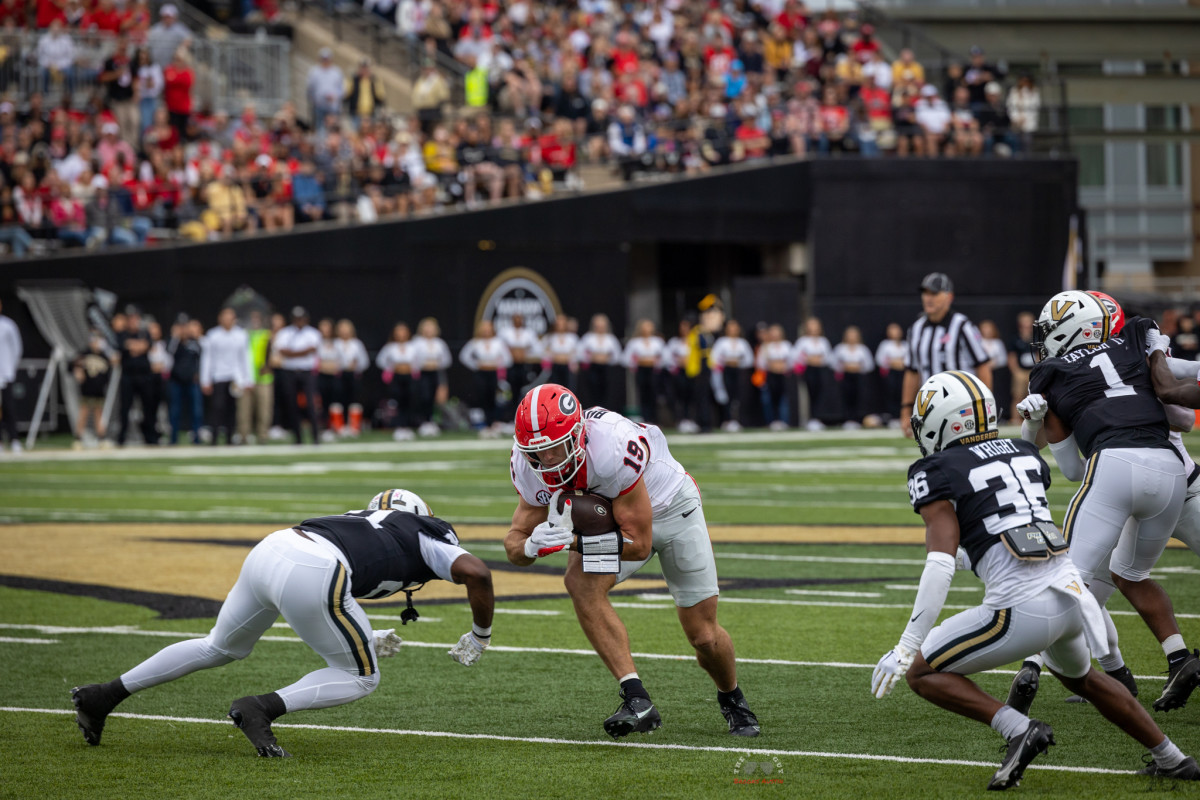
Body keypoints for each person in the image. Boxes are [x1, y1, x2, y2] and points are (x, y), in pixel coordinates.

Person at [872, 370, 1200, 789]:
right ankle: (1173, 758)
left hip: (1020, 609)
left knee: (920, 672)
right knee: (1085, 680)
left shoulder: (937, 469)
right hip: (1072, 598)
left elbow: (939, 563)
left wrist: (906, 646)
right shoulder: (1023, 453)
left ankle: (1016, 729)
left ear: (942, 423)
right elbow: (998, 528)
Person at [71, 489, 496, 758]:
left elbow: (348, 575)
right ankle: (261, 708)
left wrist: (366, 633)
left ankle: (102, 696)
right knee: (362, 676)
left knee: (219, 645)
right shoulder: (425, 531)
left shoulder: (363, 519)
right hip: (315, 569)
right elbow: (477, 572)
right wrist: (480, 636)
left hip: (274, 548)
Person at [505, 384, 760, 739]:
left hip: (670, 507)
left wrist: (574, 542)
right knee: (579, 583)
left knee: (703, 636)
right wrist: (530, 546)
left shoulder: (611, 445)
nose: (548, 460)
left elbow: (638, 544)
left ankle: (732, 696)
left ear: (578, 434)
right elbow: (513, 542)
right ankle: (637, 698)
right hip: (615, 516)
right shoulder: (527, 465)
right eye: (538, 452)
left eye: (555, 448)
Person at [1006, 290, 1199, 716]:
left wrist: (1032, 423)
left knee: (1065, 574)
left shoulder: (1052, 373)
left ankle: (1037, 666)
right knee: (1125, 575)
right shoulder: (1137, 343)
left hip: (1116, 467)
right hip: (1172, 474)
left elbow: (1069, 469)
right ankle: (1175, 659)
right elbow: (1185, 404)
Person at [900, 272, 992, 438]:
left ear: (949, 296)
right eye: (925, 293)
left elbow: (983, 366)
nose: (928, 298)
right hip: (930, 406)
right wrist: (906, 409)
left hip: (962, 405)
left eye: (934, 293)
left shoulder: (963, 326)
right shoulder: (916, 329)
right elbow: (912, 371)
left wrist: (984, 405)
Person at [200, 307, 252, 446]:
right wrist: (205, 379)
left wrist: (248, 379)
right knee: (217, 407)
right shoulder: (213, 335)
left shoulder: (241, 335)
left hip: (235, 377)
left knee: (232, 408)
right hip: (218, 376)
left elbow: (245, 358)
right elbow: (207, 359)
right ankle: (215, 437)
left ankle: (230, 438)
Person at [274, 307, 322, 445]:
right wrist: (303, 352)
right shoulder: (285, 333)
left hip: (307, 372)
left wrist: (293, 353)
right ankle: (298, 437)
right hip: (290, 372)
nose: (299, 321)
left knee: (311, 404)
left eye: (302, 318)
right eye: (297, 319)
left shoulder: (313, 333)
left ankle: (315, 436)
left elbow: (313, 349)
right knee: (291, 404)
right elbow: (282, 351)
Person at [459, 319, 512, 435]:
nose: (486, 331)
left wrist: (497, 364)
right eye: (484, 328)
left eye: (488, 328)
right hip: (481, 374)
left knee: (494, 397)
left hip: (494, 373)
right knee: (482, 397)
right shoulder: (476, 342)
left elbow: (508, 359)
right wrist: (476, 365)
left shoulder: (498, 342)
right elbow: (464, 356)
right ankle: (485, 424)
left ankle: (494, 422)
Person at [116, 307, 159, 447]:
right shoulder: (122, 334)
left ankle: (151, 438)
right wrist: (139, 346)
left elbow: (147, 346)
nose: (133, 321)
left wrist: (135, 346)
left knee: (148, 407)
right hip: (128, 376)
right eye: (131, 318)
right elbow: (124, 346)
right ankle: (121, 438)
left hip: (145, 376)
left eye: (135, 318)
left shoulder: (144, 332)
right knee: (125, 408)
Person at [376, 322, 420, 439]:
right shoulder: (390, 347)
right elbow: (380, 361)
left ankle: (408, 427)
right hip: (396, 377)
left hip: (409, 377)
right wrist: (391, 367)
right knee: (398, 401)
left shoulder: (413, 346)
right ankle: (399, 426)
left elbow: (420, 361)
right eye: (398, 331)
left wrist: (412, 368)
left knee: (409, 401)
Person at [710, 319, 754, 432]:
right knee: (726, 395)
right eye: (730, 327)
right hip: (726, 372)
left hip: (739, 372)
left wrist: (738, 362)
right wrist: (727, 361)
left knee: (737, 396)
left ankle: (736, 420)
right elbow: (714, 358)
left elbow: (749, 359)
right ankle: (727, 420)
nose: (733, 330)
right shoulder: (721, 342)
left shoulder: (742, 343)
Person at [237, 311, 273, 445]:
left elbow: (272, 353)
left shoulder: (267, 335)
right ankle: (243, 435)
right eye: (252, 319)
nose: (255, 321)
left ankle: (263, 435)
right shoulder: (244, 335)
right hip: (246, 378)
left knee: (264, 409)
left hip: (263, 378)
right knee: (244, 410)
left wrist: (268, 365)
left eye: (257, 318)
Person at [165, 317, 203, 445]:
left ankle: (196, 437)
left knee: (196, 410)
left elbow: (204, 355)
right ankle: (173, 438)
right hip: (176, 380)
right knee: (175, 411)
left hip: (192, 380)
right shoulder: (173, 342)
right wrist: (175, 337)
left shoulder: (194, 342)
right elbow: (169, 353)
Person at [791, 317, 833, 431]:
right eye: (811, 325)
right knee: (809, 393)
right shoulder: (802, 341)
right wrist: (810, 359)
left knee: (820, 394)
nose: (814, 328)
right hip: (808, 371)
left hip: (821, 371)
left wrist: (818, 359)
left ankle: (817, 417)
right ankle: (808, 418)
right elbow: (796, 356)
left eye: (816, 325)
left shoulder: (823, 341)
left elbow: (829, 358)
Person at [72, 331, 113, 449]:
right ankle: (78, 439)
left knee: (98, 413)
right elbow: (72, 365)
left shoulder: (104, 356)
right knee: (84, 413)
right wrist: (77, 370)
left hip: (99, 390)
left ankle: (101, 438)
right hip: (86, 389)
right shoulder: (84, 354)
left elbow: (107, 373)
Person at [622, 319, 666, 425]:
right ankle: (645, 417)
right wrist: (637, 361)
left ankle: (654, 418)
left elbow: (665, 357)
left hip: (653, 371)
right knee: (643, 394)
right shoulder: (634, 342)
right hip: (641, 370)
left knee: (654, 394)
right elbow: (625, 358)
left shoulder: (658, 341)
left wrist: (656, 361)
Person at [413, 317, 451, 436]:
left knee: (436, 397)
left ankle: (431, 421)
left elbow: (447, 360)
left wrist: (436, 364)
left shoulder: (439, 343)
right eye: (427, 327)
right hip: (422, 374)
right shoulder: (416, 342)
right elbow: (412, 358)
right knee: (424, 396)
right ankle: (423, 422)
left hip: (436, 373)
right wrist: (423, 364)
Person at [575, 314, 623, 409]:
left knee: (605, 390)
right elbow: (579, 353)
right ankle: (592, 409)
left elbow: (618, 356)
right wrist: (592, 357)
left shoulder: (611, 339)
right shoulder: (588, 338)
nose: (600, 327)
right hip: (593, 368)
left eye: (602, 325)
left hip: (606, 369)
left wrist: (607, 358)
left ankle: (604, 410)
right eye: (598, 325)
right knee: (592, 390)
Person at [831, 325, 874, 429]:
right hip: (845, 377)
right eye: (849, 335)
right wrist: (845, 366)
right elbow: (832, 363)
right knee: (846, 397)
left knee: (858, 397)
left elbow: (869, 365)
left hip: (858, 377)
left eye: (854, 335)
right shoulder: (840, 348)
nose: (852, 337)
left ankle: (857, 418)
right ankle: (847, 419)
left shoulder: (862, 349)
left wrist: (858, 367)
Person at [334, 319, 369, 437]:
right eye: (342, 328)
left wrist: (356, 365)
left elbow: (365, 361)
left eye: (347, 328)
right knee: (339, 399)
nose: (344, 331)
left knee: (354, 400)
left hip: (353, 375)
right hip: (338, 375)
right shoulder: (335, 343)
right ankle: (339, 427)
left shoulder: (356, 344)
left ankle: (354, 427)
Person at [755, 324, 792, 431]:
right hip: (770, 376)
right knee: (768, 399)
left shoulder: (786, 345)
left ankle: (783, 421)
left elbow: (792, 360)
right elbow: (760, 363)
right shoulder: (766, 346)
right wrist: (772, 365)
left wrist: (783, 366)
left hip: (782, 375)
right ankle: (771, 421)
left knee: (783, 399)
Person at [499, 314, 541, 396]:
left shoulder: (529, 333)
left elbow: (537, 348)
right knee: (511, 383)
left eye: (520, 319)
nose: (518, 321)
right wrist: (509, 353)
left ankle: (522, 401)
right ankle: (511, 404)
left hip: (523, 364)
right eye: (515, 319)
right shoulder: (505, 332)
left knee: (523, 384)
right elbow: (499, 346)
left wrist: (526, 352)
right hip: (510, 364)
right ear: (512, 320)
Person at [875, 322, 907, 425]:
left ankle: (901, 416)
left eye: (897, 330)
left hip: (903, 374)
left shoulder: (905, 345)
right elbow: (880, 359)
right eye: (892, 330)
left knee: (902, 394)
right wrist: (893, 362)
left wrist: (899, 362)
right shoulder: (885, 345)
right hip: (890, 374)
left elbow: (909, 360)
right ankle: (892, 417)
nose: (895, 332)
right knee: (891, 394)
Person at [1007, 311, 1036, 425]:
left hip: (1032, 372)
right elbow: (1011, 357)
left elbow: (1038, 356)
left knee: (1033, 397)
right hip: (1020, 371)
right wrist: (1016, 372)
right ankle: (1015, 420)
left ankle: (1032, 419)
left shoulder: (1036, 339)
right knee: (1017, 396)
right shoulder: (1015, 340)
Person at [0, 297, 21, 453]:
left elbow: (17, 348)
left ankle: (14, 440)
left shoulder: (8, 325)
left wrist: (10, 369)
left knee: (9, 407)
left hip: (5, 374)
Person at [306, 48, 344, 134]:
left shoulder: (336, 72)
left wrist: (335, 97)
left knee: (333, 129)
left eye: (327, 59)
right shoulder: (314, 72)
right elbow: (310, 88)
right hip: (319, 106)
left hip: (333, 107)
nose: (325, 61)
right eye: (323, 59)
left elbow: (341, 89)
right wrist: (315, 100)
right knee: (320, 129)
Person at [978, 320, 1010, 421]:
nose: (987, 331)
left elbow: (1003, 359)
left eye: (989, 328)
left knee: (997, 395)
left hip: (997, 375)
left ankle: (998, 416)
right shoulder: (978, 342)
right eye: (984, 328)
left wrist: (993, 363)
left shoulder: (998, 343)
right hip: (981, 375)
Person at [541, 315, 578, 391]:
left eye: (562, 323)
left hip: (567, 367)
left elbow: (576, 353)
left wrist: (574, 364)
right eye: (558, 323)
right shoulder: (549, 338)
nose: (560, 325)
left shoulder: (572, 338)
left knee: (568, 388)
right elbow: (543, 352)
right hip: (555, 367)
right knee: (555, 388)